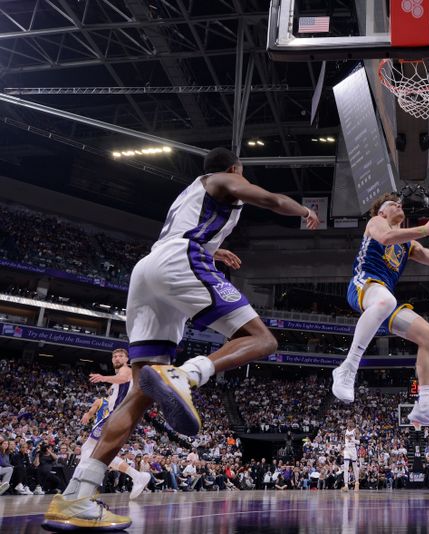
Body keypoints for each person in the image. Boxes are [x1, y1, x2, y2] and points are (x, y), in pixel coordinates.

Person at [44, 147, 319, 531]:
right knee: (262, 339)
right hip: (179, 259)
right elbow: (271, 200)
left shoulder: (189, 193)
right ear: (234, 168)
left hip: (149, 270)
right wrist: (305, 211)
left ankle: (76, 497)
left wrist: (212, 248)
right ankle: (188, 375)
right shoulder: (224, 179)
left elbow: (186, 229)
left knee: (139, 394)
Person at [331, 193, 429, 429]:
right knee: (386, 300)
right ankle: (348, 368)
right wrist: (425, 229)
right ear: (382, 212)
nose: (398, 205)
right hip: (364, 283)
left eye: (400, 204)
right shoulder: (376, 223)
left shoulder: (409, 243)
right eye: (392, 203)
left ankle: (424, 405)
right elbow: (385, 238)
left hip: (383, 297)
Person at [72, 349, 151, 500]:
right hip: (117, 416)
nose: (117, 358)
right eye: (114, 356)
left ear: (127, 359)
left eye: (121, 356)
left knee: (89, 448)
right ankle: (137, 476)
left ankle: (78, 487)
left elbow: (123, 378)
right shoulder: (118, 378)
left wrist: (102, 377)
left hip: (116, 415)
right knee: (97, 452)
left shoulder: (126, 370)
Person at [341, 420, 360, 492]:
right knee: (345, 467)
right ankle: (346, 486)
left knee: (355, 467)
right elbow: (344, 442)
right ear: (347, 423)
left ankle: (357, 482)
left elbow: (358, 442)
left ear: (353, 423)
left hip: (353, 449)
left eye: (351, 422)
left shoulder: (356, 430)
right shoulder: (344, 431)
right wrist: (342, 448)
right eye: (349, 422)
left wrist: (352, 439)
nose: (350, 423)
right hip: (346, 450)